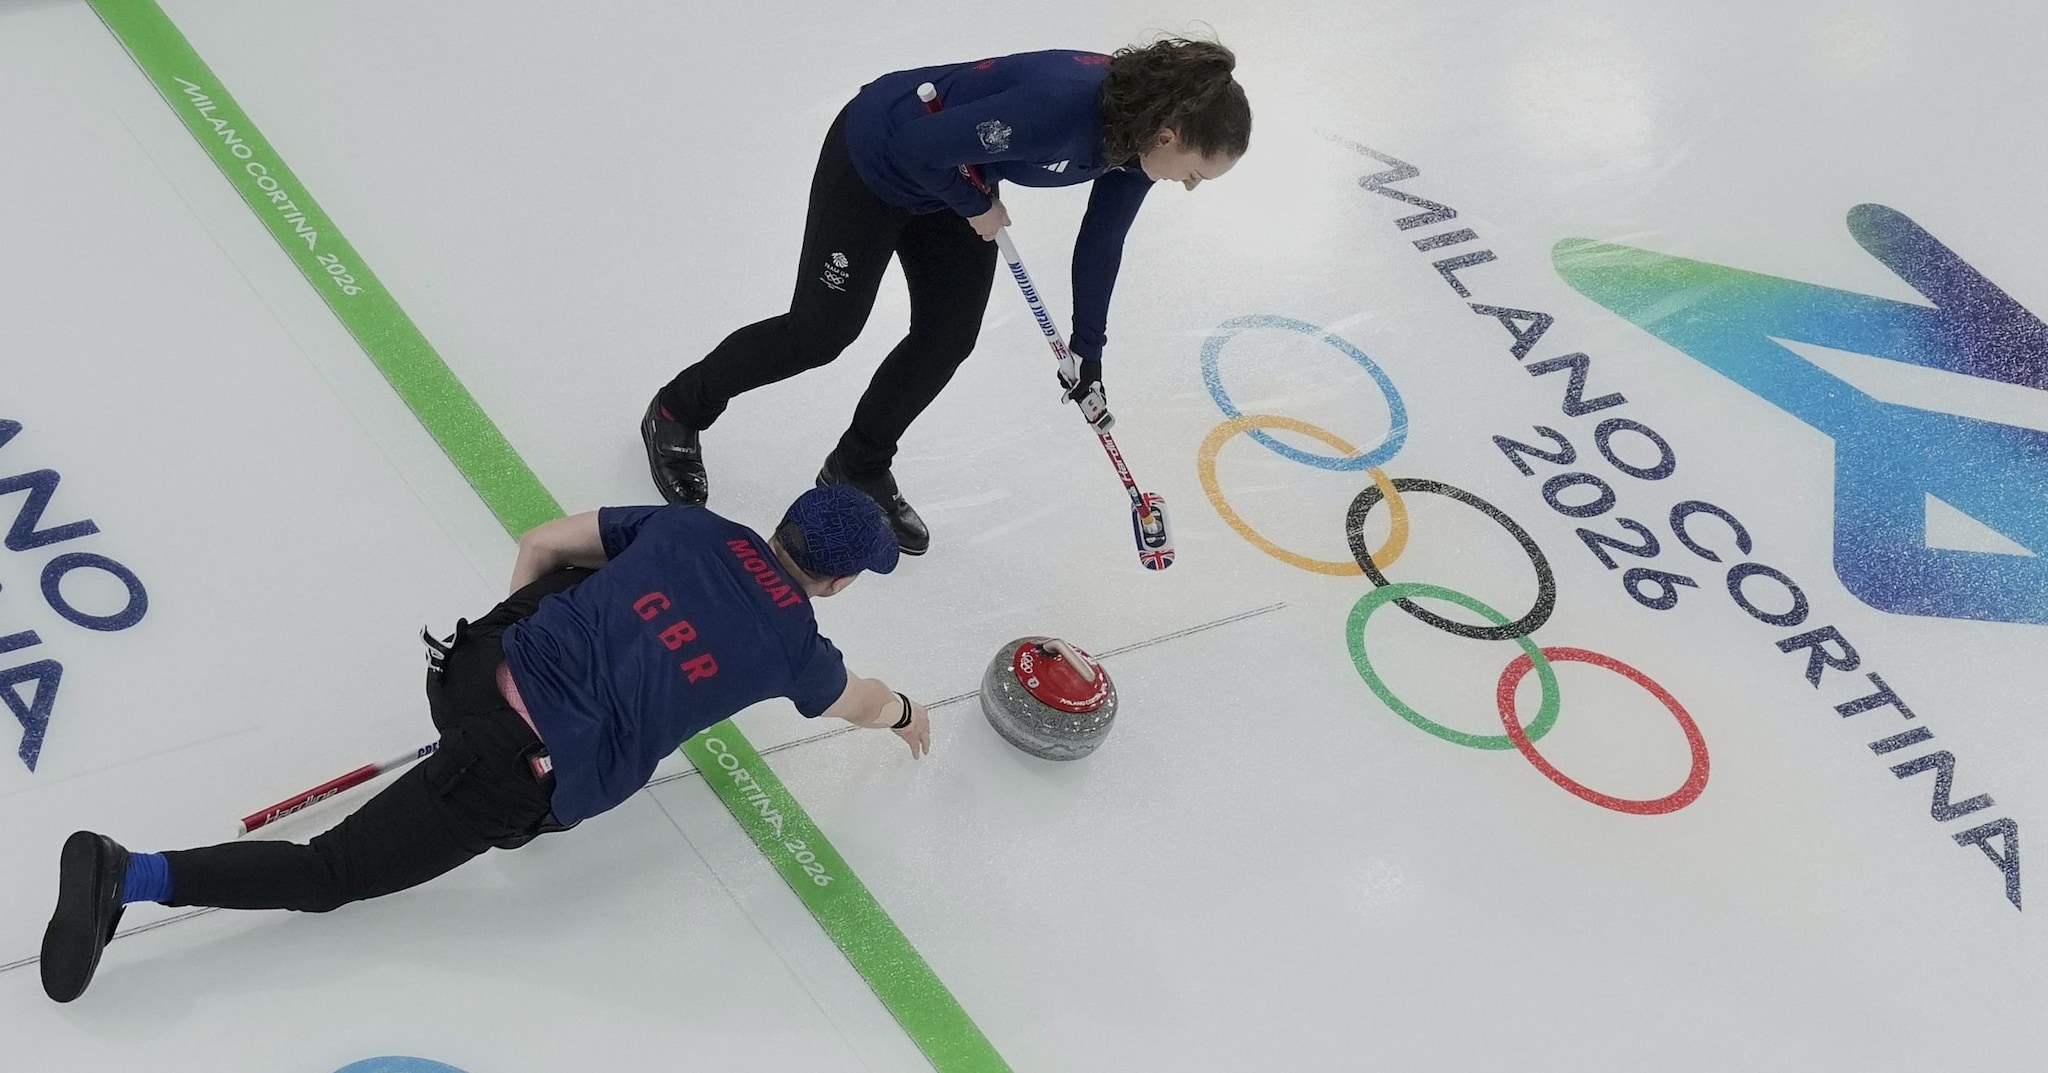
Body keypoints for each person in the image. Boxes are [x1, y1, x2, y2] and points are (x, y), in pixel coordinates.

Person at [39, 486, 932, 1003]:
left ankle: (492, 706)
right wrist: (903, 714)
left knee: (592, 568)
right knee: (330, 874)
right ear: (841, 579)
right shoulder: (796, 645)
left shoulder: (690, 524)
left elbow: (542, 542)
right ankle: (130, 872)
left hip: (470, 671)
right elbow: (851, 703)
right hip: (512, 771)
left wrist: (511, 648)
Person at [642, 38, 1252, 553]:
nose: (1191, 187)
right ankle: (677, 410)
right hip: (877, 162)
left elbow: (1101, 239)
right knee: (821, 332)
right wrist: (975, 204)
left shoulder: (1137, 140)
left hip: (955, 177)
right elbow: (914, 146)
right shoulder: (1061, 107)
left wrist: (1087, 348)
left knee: (948, 336)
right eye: (1196, 172)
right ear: (1171, 135)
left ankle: (858, 463)